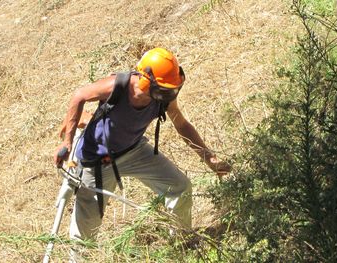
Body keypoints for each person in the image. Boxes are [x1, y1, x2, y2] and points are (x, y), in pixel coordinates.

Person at [53, 47, 231, 246]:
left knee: (180, 187)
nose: (170, 94)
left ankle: (181, 243)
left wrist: (209, 158)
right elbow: (79, 96)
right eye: (165, 89)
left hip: (134, 150)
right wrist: (67, 142)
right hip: (98, 161)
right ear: (146, 80)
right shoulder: (118, 85)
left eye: (173, 88)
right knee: (85, 233)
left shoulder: (164, 96)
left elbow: (181, 124)